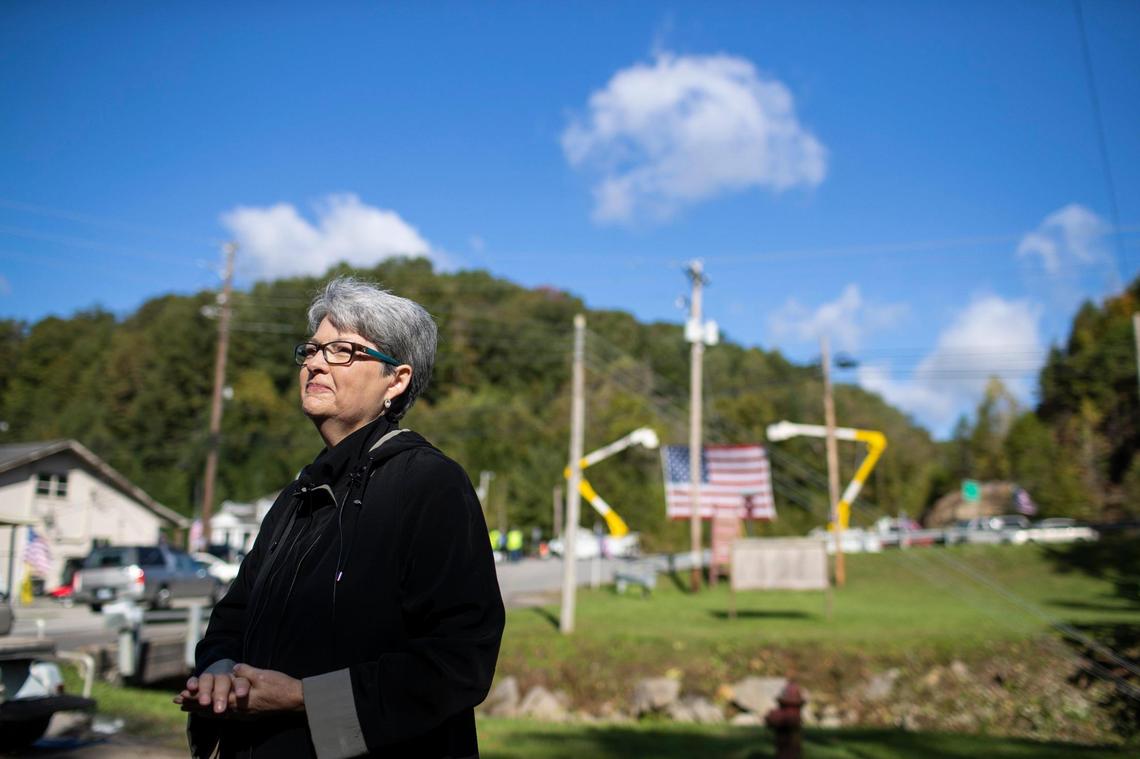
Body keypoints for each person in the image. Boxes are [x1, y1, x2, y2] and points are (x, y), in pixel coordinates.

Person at [176, 277, 505, 759]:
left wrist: (303, 699)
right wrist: (220, 672)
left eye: (344, 352)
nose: (315, 362)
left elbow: (459, 658)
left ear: (397, 379)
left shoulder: (429, 485)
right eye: (312, 349)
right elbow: (234, 615)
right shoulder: (297, 496)